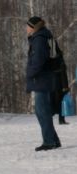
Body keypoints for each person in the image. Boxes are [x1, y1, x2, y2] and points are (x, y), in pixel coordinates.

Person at [26, 16, 61, 150]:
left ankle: (49, 142)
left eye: (28, 26)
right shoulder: (43, 37)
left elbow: (39, 61)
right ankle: (54, 140)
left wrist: (30, 74)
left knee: (42, 111)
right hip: (45, 79)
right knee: (42, 111)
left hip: (42, 79)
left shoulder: (39, 39)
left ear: (33, 27)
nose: (26, 28)